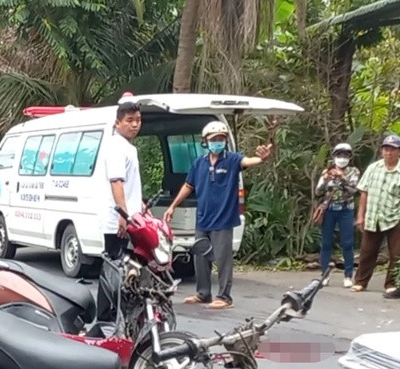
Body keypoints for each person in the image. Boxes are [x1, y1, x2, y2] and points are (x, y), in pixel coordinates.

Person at [163, 121, 273, 310]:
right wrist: (173, 206)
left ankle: (224, 296)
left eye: (221, 139)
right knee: (200, 257)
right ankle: (203, 293)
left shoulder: (231, 159)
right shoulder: (199, 163)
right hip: (203, 218)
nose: (218, 142)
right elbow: (189, 186)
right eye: (214, 139)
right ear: (205, 141)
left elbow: (247, 161)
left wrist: (261, 159)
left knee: (223, 259)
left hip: (223, 220)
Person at [351, 134, 400, 298]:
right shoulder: (374, 168)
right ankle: (360, 281)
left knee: (397, 253)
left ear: (399, 151)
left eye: (393, 150)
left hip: (395, 216)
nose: (389, 153)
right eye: (386, 149)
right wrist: (360, 215)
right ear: (382, 151)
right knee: (367, 251)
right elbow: (364, 191)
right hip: (374, 215)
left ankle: (391, 284)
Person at [99, 102, 143, 260]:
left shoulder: (128, 147)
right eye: (129, 120)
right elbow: (116, 182)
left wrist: (141, 206)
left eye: (138, 120)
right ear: (117, 123)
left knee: (128, 268)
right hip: (117, 222)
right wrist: (123, 216)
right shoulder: (116, 147)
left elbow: (130, 185)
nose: (135, 124)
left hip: (130, 218)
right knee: (116, 268)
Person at [314, 143, 361, 288]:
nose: (342, 158)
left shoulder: (354, 172)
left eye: (345, 156)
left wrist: (342, 178)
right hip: (329, 210)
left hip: (346, 210)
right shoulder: (327, 171)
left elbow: (354, 191)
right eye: (339, 155)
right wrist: (326, 180)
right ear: (334, 157)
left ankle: (348, 275)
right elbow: (318, 192)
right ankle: (324, 275)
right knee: (326, 243)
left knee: (347, 243)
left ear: (350, 157)